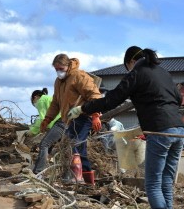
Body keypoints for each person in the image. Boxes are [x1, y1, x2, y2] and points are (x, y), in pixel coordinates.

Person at [68, 46, 184, 209]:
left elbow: (110, 100)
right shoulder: (163, 72)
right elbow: (178, 99)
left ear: (131, 61)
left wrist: (83, 109)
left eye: (127, 66)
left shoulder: (136, 74)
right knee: (166, 180)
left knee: (153, 184)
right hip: (178, 130)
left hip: (159, 131)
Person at [40, 54, 102, 181]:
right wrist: (47, 119)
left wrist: (95, 115)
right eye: (56, 69)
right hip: (70, 120)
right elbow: (55, 103)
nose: (59, 72)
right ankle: (84, 179)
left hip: (84, 117)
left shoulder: (79, 76)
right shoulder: (58, 82)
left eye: (61, 69)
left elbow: (94, 95)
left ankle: (81, 179)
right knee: (70, 148)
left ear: (68, 66)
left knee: (76, 146)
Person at [26, 88, 63, 174]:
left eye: (33, 102)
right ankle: (57, 169)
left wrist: (33, 131)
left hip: (61, 122)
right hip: (67, 121)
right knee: (62, 147)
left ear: (35, 97)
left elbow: (42, 118)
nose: (35, 104)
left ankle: (38, 171)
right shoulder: (49, 98)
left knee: (44, 144)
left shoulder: (41, 100)